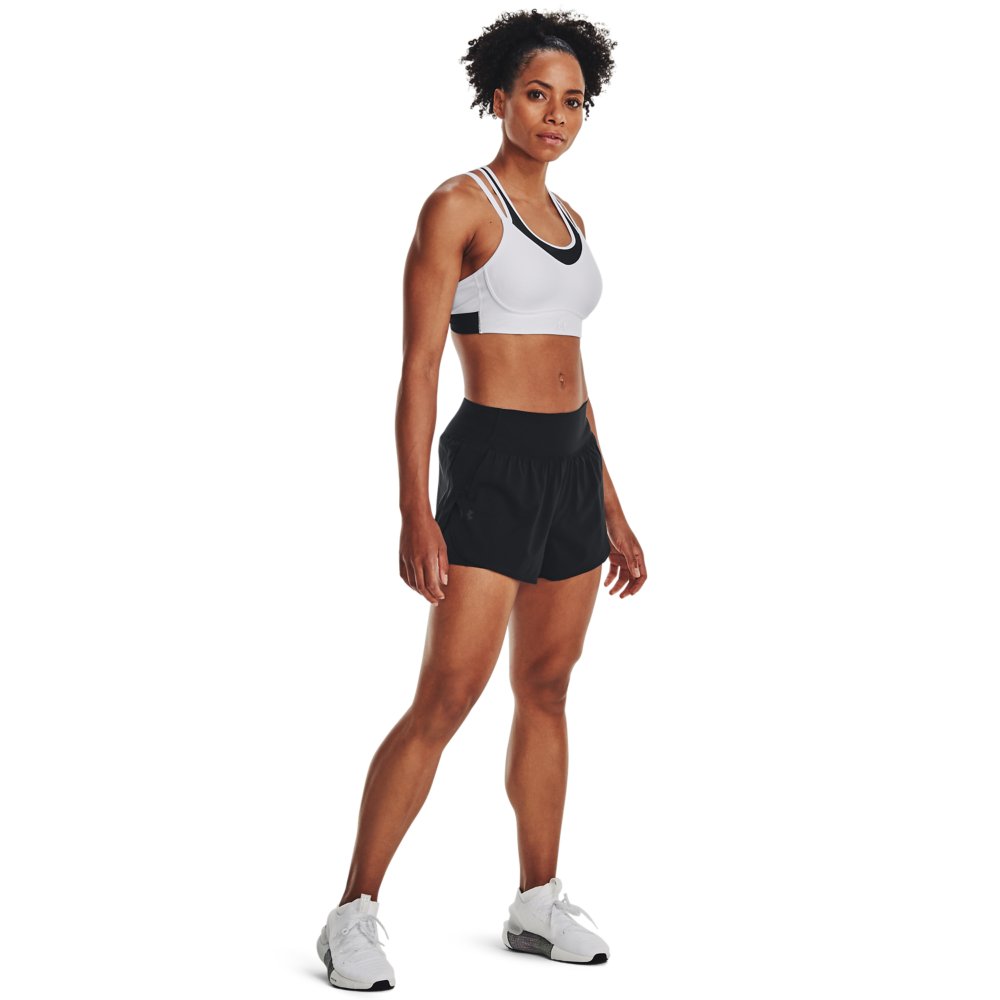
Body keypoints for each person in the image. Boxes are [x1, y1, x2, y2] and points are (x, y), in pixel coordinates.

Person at [316, 10, 646, 990]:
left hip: (569, 467)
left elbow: (574, 375)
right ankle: (352, 911)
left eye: (573, 101)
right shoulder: (459, 206)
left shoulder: (575, 221)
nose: (555, 115)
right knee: (447, 696)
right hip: (492, 465)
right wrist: (414, 509)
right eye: (537, 95)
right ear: (498, 98)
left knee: (547, 687)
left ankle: (536, 900)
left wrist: (612, 504)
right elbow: (419, 366)